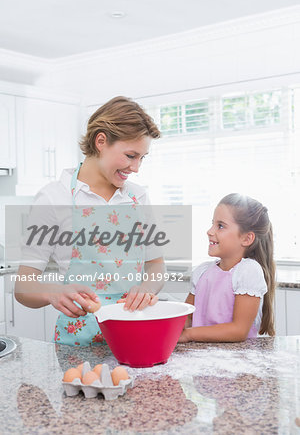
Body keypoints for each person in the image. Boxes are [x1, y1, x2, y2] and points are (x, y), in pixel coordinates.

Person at [15, 96, 165, 346]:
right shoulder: (53, 198)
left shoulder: (138, 196)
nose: (136, 167)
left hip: (134, 333)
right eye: (130, 155)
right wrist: (52, 291)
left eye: (142, 158)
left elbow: (156, 265)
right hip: (78, 342)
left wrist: (147, 288)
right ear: (101, 141)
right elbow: (23, 285)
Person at [179, 193, 276, 343]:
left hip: (236, 360)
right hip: (202, 356)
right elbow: (186, 317)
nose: (210, 231)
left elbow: (238, 330)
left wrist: (188, 334)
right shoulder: (202, 271)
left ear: (246, 238)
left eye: (220, 226)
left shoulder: (248, 272)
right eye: (212, 223)